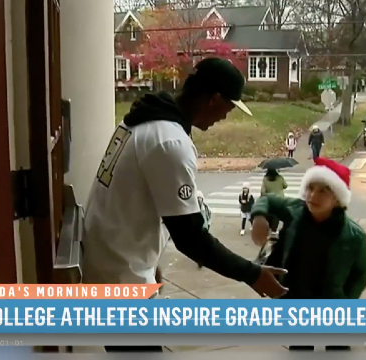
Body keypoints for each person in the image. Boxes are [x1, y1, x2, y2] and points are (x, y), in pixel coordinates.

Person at [81, 58, 289, 353]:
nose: (225, 118)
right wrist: (251, 273)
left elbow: (140, 202)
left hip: (111, 269)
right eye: (228, 109)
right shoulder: (169, 142)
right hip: (122, 284)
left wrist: (150, 264)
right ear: (213, 99)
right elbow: (191, 237)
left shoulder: (144, 122)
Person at [250, 157, 366, 352]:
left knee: (337, 348)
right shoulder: (295, 211)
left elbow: (363, 271)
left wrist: (347, 301)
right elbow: (267, 200)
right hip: (298, 302)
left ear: (337, 199)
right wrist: (258, 216)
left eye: (324, 190)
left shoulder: (353, 236)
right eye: (310, 187)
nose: (313, 195)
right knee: (300, 347)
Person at [261, 168, 288, 235]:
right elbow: (285, 186)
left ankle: (270, 228)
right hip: (280, 198)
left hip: (270, 199)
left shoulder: (265, 179)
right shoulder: (280, 177)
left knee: (270, 213)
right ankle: (274, 230)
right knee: (277, 215)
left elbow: (263, 191)